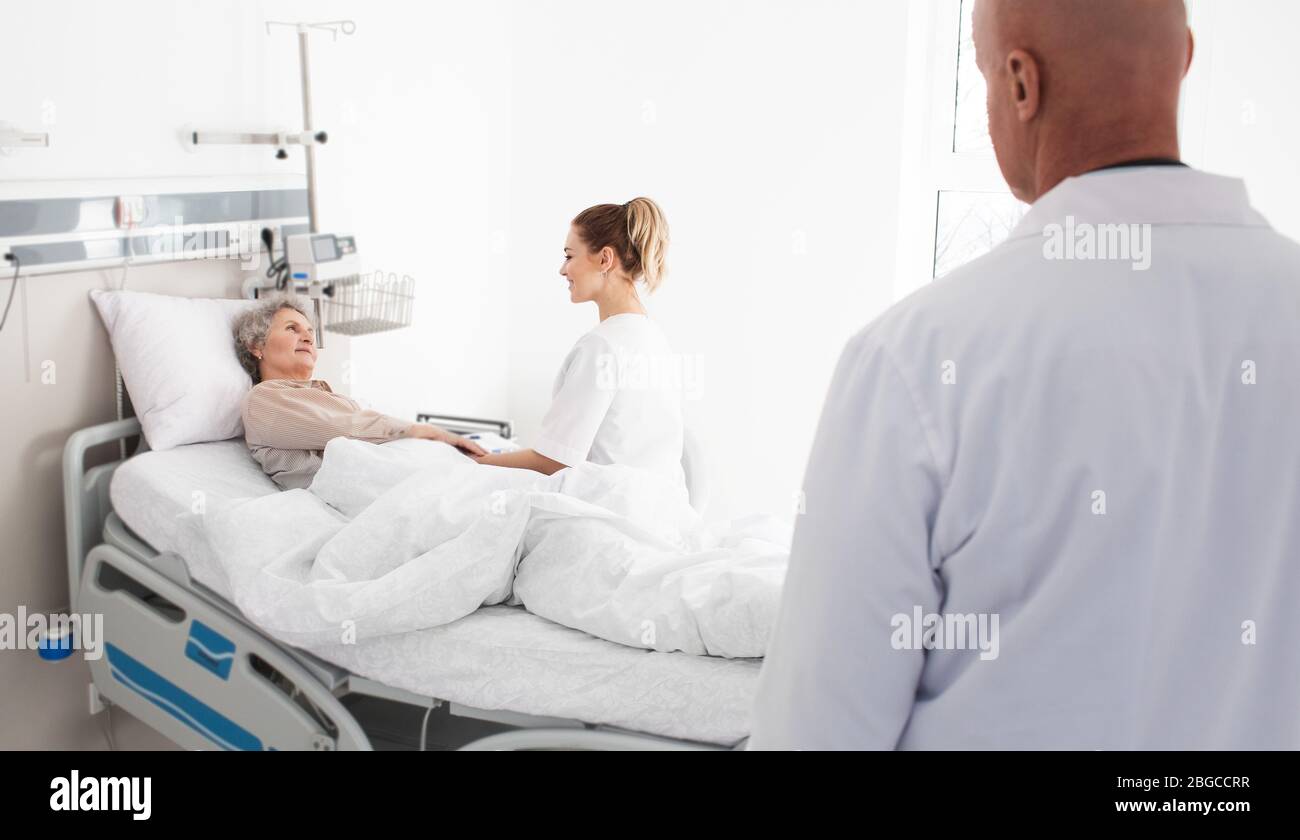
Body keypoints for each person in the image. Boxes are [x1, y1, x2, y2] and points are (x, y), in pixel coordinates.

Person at [751, 0, 1300, 749]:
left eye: (983, 77)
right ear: (1186, 59)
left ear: (1019, 84)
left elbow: (817, 735)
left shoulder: (916, 361)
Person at [475, 198, 686, 487]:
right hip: (656, 511)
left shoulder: (602, 345)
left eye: (569, 256)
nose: (563, 270)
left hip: (602, 514)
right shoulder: (653, 338)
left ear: (604, 259)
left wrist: (476, 462)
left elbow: (554, 462)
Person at [233, 295, 485, 490]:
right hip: (380, 487)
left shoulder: (327, 395)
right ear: (257, 345)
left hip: (404, 472)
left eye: (310, 332)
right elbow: (345, 430)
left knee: (497, 470)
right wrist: (425, 432)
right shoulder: (262, 400)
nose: (309, 338)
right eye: (292, 328)